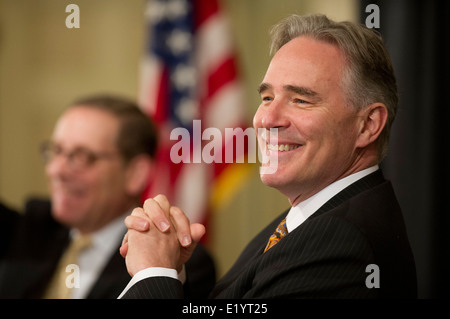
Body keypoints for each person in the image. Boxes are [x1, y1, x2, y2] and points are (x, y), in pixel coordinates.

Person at [118, 14, 417, 299]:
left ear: (368, 125)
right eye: (267, 98)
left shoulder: (339, 242)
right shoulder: (304, 221)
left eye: (300, 100)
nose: (266, 119)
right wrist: (170, 270)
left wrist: (152, 273)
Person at [0, 95, 215, 299]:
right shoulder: (32, 229)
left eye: (82, 156)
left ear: (135, 174)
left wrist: (160, 270)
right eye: (56, 151)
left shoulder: (171, 264)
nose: (57, 170)